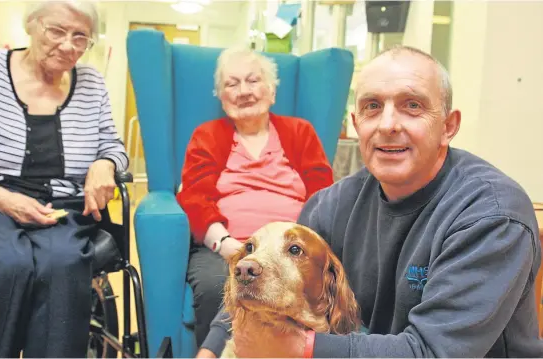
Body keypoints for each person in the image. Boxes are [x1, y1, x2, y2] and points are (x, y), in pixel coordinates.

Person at [196, 46, 543, 358]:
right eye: (372, 107)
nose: (388, 124)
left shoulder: (491, 216)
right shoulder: (332, 204)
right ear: (356, 123)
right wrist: (212, 350)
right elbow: (259, 279)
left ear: (448, 127)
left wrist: (297, 348)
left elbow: (433, 353)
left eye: (412, 106)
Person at [0, 1, 128, 357]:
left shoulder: (91, 83)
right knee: (7, 262)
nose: (68, 45)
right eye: (56, 30)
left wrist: (106, 163)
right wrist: (1, 199)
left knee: (64, 263)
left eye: (80, 36)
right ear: (31, 26)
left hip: (59, 205)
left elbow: (113, 145)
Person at [176, 47, 334, 346]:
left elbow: (322, 191)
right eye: (232, 84)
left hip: (290, 247)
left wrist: (296, 247)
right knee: (213, 286)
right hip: (228, 245)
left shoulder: (300, 132)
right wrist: (226, 245)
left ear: (272, 91)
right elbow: (195, 196)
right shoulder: (206, 135)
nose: (244, 91)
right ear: (221, 96)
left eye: (253, 80)